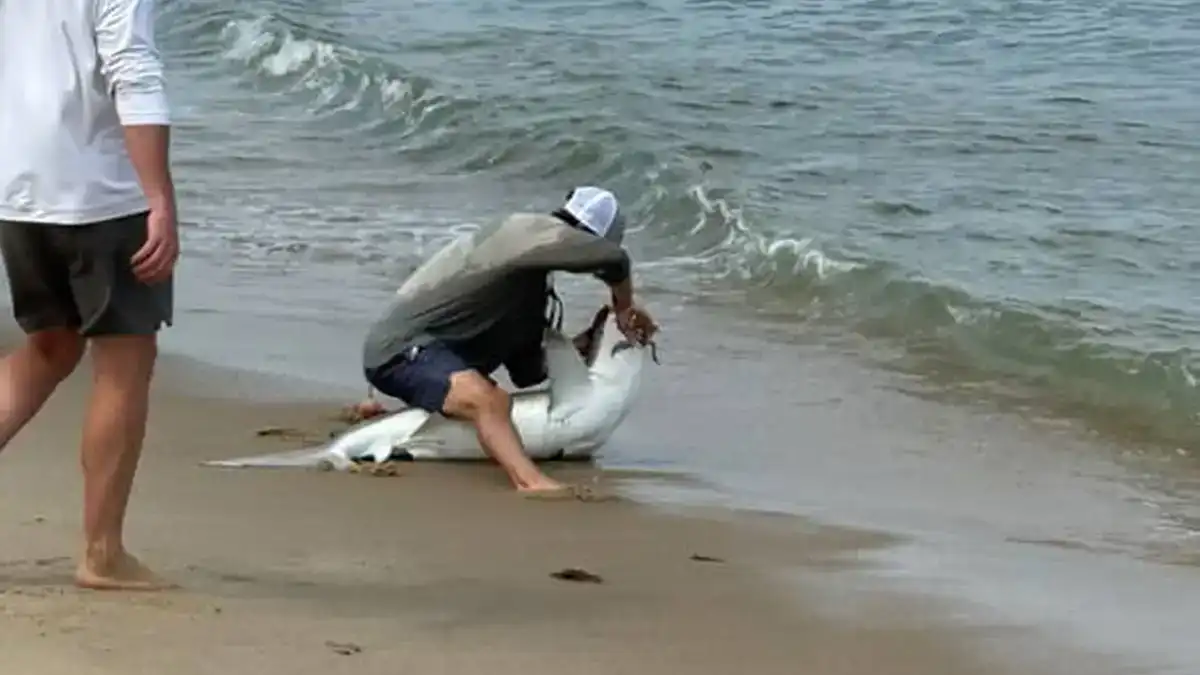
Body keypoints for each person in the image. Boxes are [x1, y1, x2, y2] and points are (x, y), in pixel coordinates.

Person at [0, 0, 180, 589]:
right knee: (124, 361)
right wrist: (158, 196)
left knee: (50, 347)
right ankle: (102, 553)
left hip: (17, 183)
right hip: (98, 193)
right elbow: (133, 70)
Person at [361, 187, 656, 498]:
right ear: (585, 238)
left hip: (426, 355)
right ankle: (530, 482)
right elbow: (615, 259)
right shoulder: (525, 231)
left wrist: (589, 341)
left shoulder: (528, 285)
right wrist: (624, 307)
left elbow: (527, 371)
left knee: (495, 398)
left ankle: (399, 414)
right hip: (398, 352)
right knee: (489, 401)